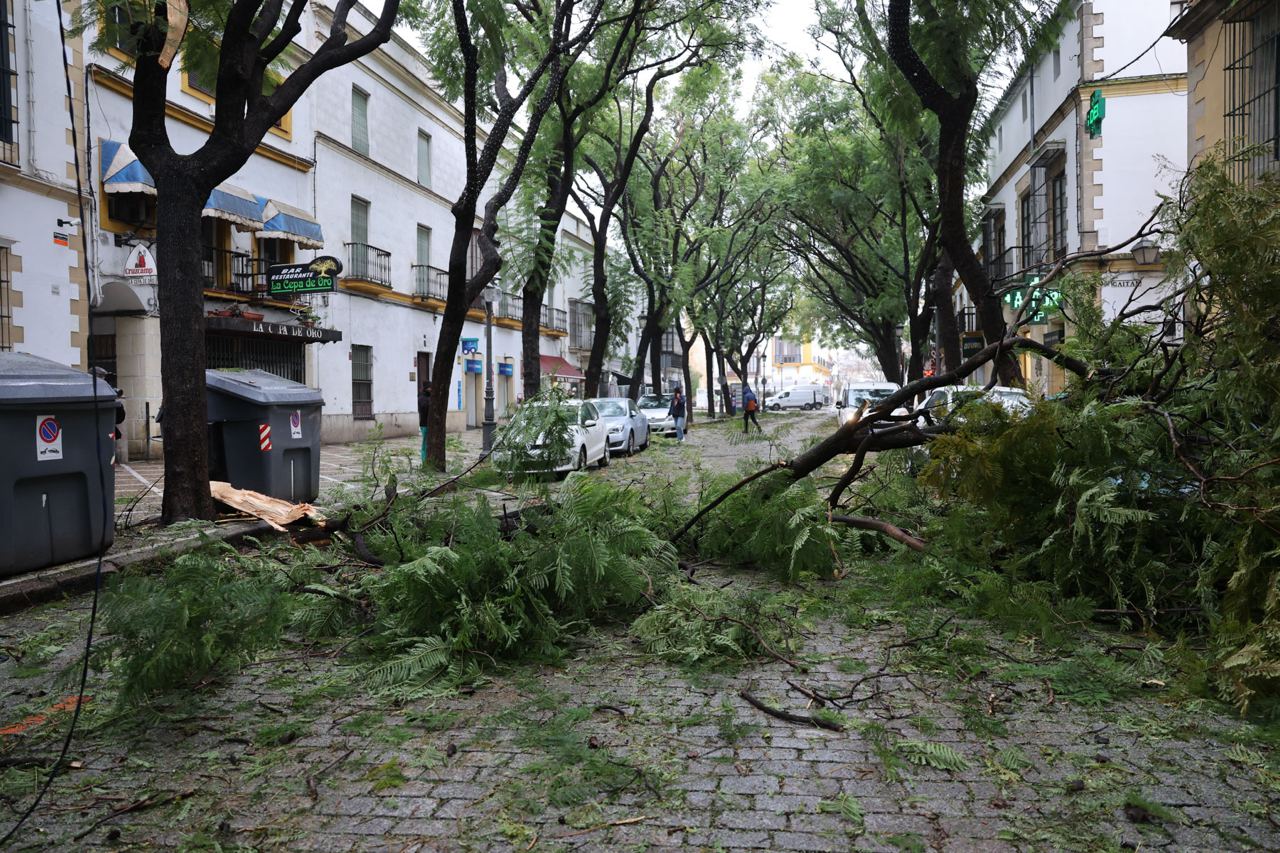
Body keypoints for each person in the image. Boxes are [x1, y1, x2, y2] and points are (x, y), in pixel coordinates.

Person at [417, 383, 431, 465]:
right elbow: (425, 409)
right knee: (425, 443)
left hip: (428, 424)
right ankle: (424, 460)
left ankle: (427, 459)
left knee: (427, 443)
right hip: (424, 424)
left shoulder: (428, 397)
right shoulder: (422, 398)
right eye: (430, 388)